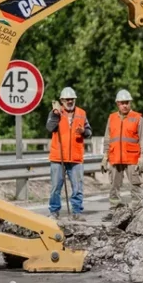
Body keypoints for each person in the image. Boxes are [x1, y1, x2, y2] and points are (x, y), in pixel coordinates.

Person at [46, 87, 92, 219]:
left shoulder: (82, 113)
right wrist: (55, 114)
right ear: (61, 100)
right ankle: (54, 211)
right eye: (67, 99)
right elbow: (50, 127)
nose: (70, 101)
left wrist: (84, 131)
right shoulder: (55, 112)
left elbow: (89, 132)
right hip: (58, 156)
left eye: (72, 99)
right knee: (56, 186)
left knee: (77, 187)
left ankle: (77, 212)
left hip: (76, 157)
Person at [101, 89, 143, 211]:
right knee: (114, 186)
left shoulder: (137, 118)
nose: (125, 105)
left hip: (132, 158)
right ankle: (114, 210)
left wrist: (142, 157)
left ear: (130, 103)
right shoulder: (111, 118)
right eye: (122, 103)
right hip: (115, 157)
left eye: (127, 102)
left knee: (135, 185)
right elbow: (107, 139)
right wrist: (105, 157)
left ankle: (138, 211)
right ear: (117, 104)